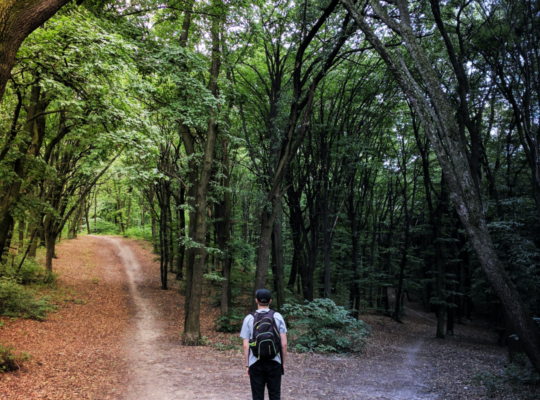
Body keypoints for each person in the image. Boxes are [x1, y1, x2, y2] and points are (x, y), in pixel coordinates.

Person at [240, 289, 287, 400]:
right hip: (274, 362)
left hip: (255, 362)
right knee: (275, 395)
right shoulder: (278, 317)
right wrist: (282, 363)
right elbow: (284, 344)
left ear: (256, 300)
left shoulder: (249, 318)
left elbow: (246, 345)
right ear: (270, 301)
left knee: (257, 397)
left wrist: (247, 365)